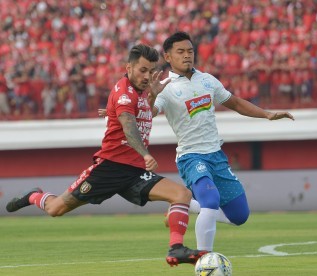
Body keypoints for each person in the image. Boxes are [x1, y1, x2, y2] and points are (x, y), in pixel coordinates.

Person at [5, 44, 207, 266]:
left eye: (151, 71)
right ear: (128, 67)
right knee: (56, 209)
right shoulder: (123, 91)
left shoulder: (141, 93)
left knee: (181, 194)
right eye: (142, 70)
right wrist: (145, 154)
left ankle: (176, 249)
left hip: (134, 172)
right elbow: (129, 127)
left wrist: (151, 96)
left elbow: (137, 115)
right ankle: (33, 196)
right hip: (110, 168)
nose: (147, 76)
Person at [151, 31, 294, 252]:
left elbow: (235, 103)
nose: (187, 55)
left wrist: (266, 114)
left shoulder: (207, 80)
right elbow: (149, 112)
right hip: (191, 156)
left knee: (239, 215)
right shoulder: (165, 87)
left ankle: (183, 204)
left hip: (216, 155)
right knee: (210, 200)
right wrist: (150, 95)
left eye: (190, 51)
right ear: (168, 57)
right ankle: (204, 259)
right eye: (180, 52)